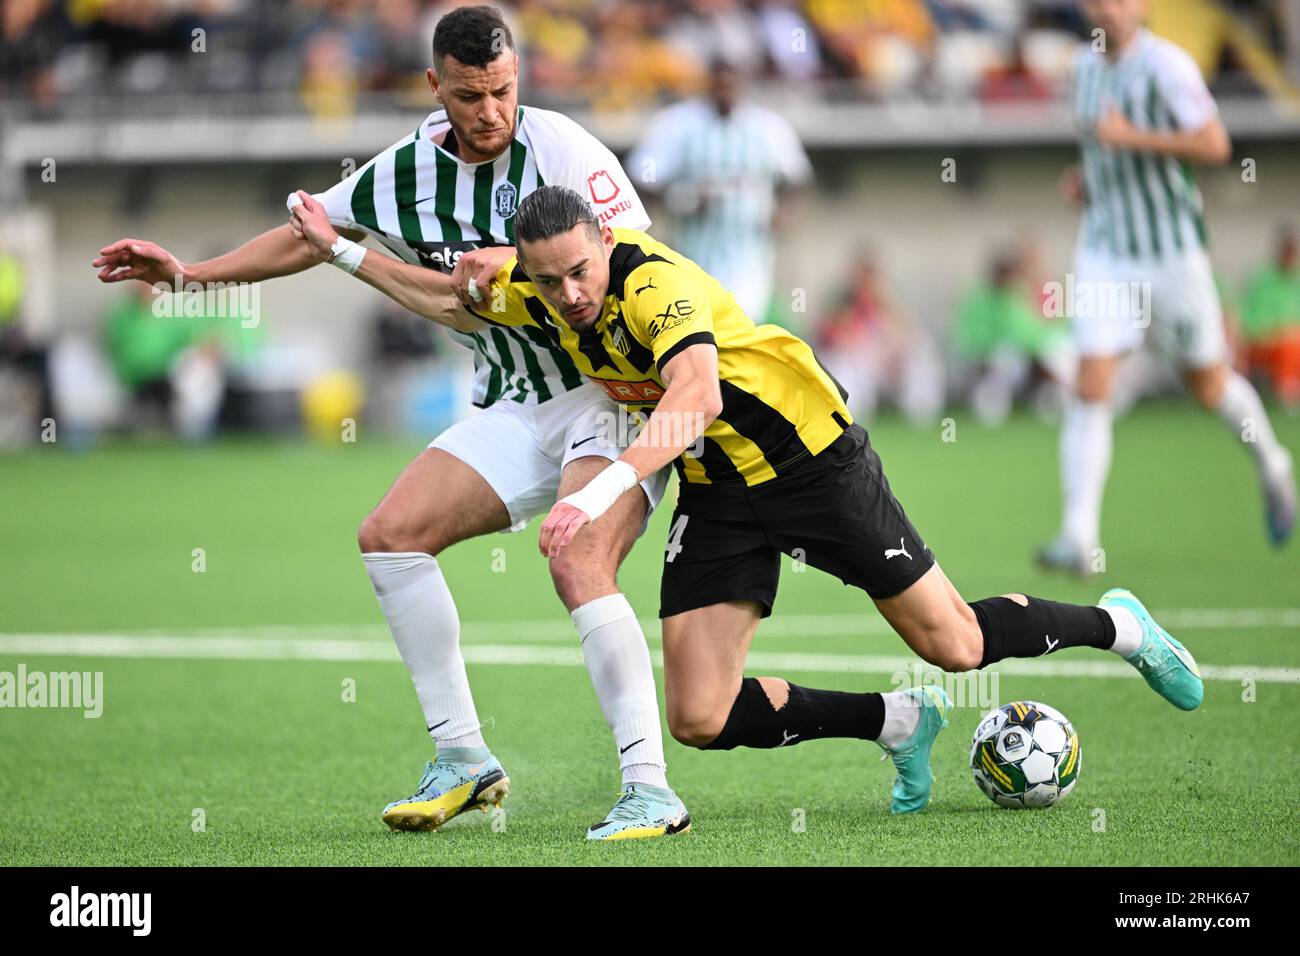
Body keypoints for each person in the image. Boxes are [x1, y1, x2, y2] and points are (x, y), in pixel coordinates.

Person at [290, 183, 1207, 815]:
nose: (569, 293)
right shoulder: (539, 291)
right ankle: (894, 720)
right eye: (549, 278)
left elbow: (697, 399)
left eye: (580, 271)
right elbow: (451, 302)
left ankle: (1118, 626)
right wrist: (336, 248)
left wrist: (600, 489)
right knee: (699, 717)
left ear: (606, 244)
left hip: (812, 460)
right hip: (721, 490)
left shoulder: (654, 284)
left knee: (956, 643)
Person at [92, 5, 688, 841]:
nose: (492, 112)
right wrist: (189, 275)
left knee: (579, 561)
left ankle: (650, 789)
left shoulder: (563, 150)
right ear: (435, 86)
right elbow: (311, 235)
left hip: (607, 396)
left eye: (505, 90)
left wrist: (516, 266)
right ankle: (465, 761)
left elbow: (629, 261)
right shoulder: (405, 173)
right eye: (473, 95)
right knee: (391, 535)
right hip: (516, 400)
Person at [1039, 0, 1295, 575]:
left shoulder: (1167, 67)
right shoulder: (1080, 68)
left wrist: (1133, 137)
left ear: (1142, 7)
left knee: (1206, 384)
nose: (1110, 8)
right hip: (1106, 249)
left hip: (1171, 255)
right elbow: (1099, 150)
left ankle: (1274, 463)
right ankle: (1079, 536)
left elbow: (1215, 144)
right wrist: (1087, 179)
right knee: (1092, 378)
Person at [627, 58, 811, 324]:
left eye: (731, 85)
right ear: (708, 85)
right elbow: (641, 177)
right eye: (719, 85)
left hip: (749, 256)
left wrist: (783, 213)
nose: (725, 92)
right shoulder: (678, 125)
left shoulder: (768, 128)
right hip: (693, 254)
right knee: (701, 324)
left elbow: (798, 177)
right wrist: (680, 199)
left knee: (742, 324)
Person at [1239, 226, 1300, 410]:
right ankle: (1288, 396)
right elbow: (1250, 319)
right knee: (1290, 343)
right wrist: (1278, 330)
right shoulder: (1263, 279)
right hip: (1263, 344)